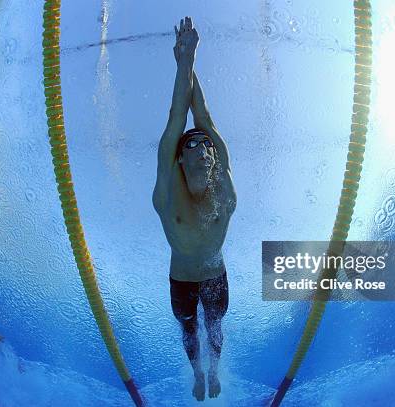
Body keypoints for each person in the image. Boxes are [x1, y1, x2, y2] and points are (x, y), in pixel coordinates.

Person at [152, 17, 237, 401]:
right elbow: (179, 118)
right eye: (190, 146)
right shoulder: (167, 193)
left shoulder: (224, 184)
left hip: (215, 274)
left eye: (206, 145)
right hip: (182, 280)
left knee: (215, 328)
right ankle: (197, 372)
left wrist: (188, 64)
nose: (201, 148)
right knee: (189, 331)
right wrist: (186, 58)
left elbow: (203, 117)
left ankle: (215, 370)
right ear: (178, 161)